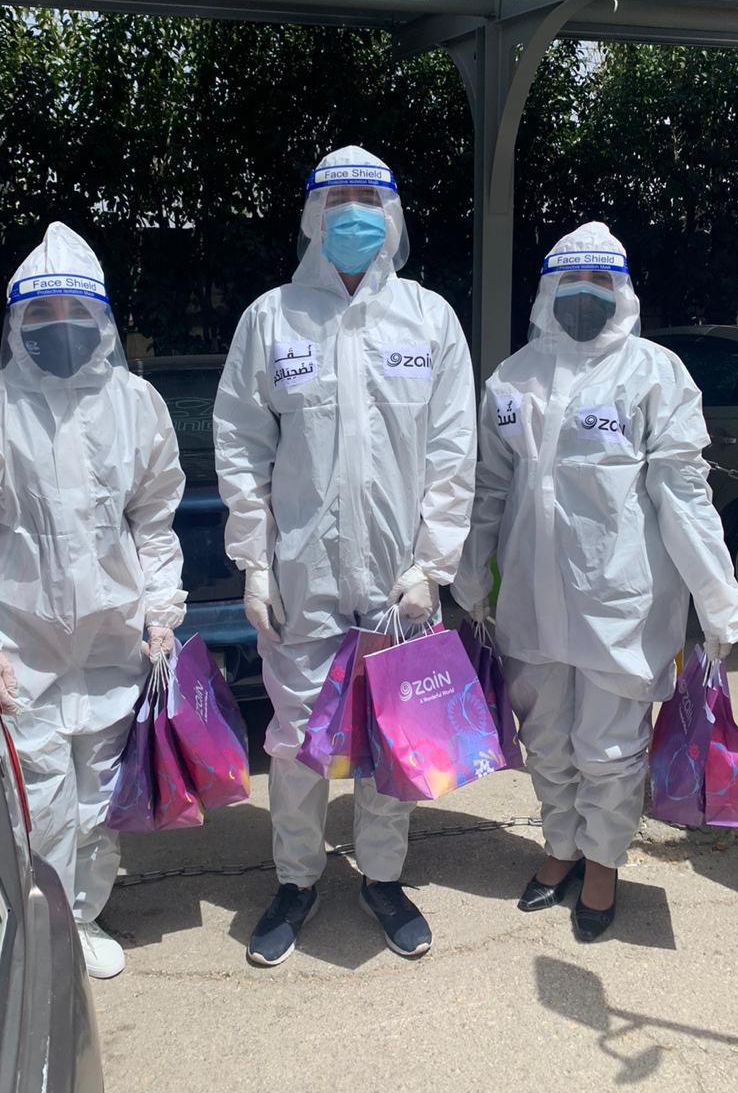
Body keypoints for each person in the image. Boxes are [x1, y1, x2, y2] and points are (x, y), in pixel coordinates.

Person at [452, 221, 738, 941]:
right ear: (547, 290)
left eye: (599, 281)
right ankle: (560, 847)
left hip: (622, 602)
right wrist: (470, 575)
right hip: (529, 598)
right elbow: (488, 487)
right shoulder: (513, 378)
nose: (583, 295)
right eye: (570, 281)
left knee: (611, 749)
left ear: (623, 290)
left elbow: (684, 494)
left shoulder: (655, 374)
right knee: (547, 738)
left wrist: (717, 597)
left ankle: (603, 864)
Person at [213, 146, 476, 966]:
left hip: (400, 578)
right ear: (312, 215)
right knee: (297, 738)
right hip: (304, 574)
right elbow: (240, 444)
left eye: (370, 197)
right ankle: (296, 879)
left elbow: (453, 452)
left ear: (392, 215)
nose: (355, 212)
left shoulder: (429, 320)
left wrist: (432, 565)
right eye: (340, 198)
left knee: (394, 733)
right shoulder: (273, 319)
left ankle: (383, 878)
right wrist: (255, 561)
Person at [0, 222, 186, 978]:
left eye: (76, 312)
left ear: (101, 319)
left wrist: (162, 611)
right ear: (16, 322)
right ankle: (39, 924)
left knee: (100, 798)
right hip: (21, 648)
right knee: (34, 796)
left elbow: (154, 522)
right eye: (42, 313)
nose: (60, 327)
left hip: (113, 642)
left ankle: (82, 918)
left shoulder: (136, 406)